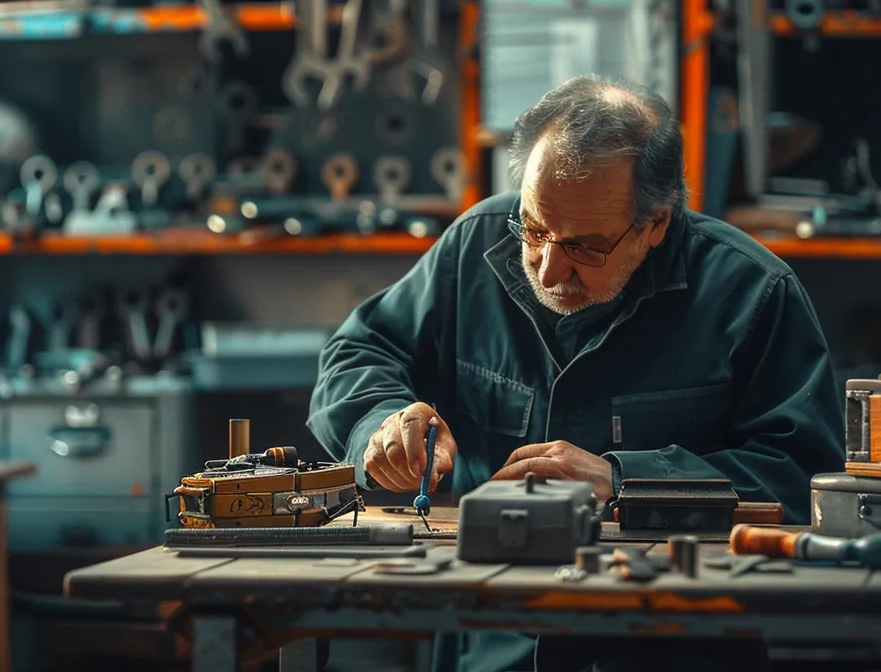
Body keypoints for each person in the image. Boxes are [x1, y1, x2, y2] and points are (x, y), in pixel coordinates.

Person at [306, 75, 845, 671]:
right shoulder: (474, 247)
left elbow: (804, 478)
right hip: (493, 639)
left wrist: (625, 481)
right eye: (535, 230)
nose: (550, 269)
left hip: (674, 644)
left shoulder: (751, 292)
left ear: (657, 224)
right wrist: (380, 425)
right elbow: (359, 352)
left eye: (586, 248)